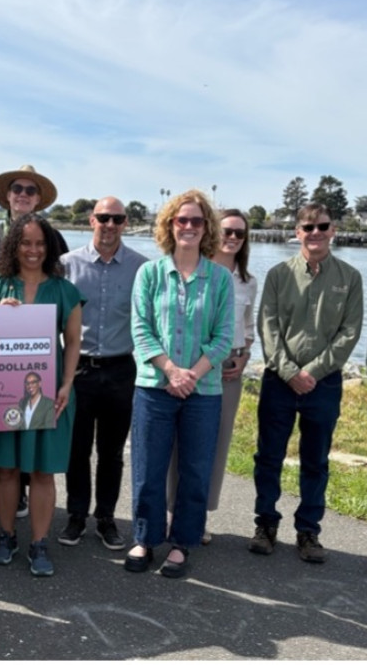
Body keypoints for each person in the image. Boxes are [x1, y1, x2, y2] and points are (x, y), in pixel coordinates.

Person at [126, 190, 233, 579]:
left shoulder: (220, 278)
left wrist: (192, 374)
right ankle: (144, 537)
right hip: (154, 386)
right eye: (181, 220)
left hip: (203, 393)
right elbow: (140, 328)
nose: (189, 227)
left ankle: (182, 543)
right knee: (148, 467)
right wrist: (171, 370)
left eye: (197, 221)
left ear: (207, 229)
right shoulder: (150, 274)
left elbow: (224, 337)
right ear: (169, 225)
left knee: (195, 468)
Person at [251, 202, 363, 564]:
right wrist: (288, 371)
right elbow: (267, 327)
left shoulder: (350, 278)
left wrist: (312, 373)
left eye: (322, 226)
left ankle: (308, 531)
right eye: (308, 227)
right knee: (269, 456)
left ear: (333, 230)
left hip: (324, 384)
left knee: (316, 461)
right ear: (297, 232)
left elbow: (349, 333)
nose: (315, 233)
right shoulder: (278, 275)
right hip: (278, 382)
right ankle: (265, 524)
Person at [0, 214, 83, 577]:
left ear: (49, 247)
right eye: (25, 243)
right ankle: (6, 536)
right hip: (4, 389)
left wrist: (67, 383)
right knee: (5, 469)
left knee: (41, 470)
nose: (33, 250)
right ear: (13, 246)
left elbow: (72, 343)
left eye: (40, 243)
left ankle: (39, 543)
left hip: (47, 389)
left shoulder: (65, 290)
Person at [0, 164, 69, 518]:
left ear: (39, 198)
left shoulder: (54, 239)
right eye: (17, 188)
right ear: (8, 195)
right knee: (4, 437)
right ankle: (5, 499)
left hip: (38, 358)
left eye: (30, 189)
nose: (23, 194)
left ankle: (28, 498)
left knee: (36, 432)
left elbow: (60, 299)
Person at [58, 197, 147, 551]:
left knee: (111, 453)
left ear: (125, 223)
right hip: (78, 371)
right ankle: (76, 516)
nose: (110, 225)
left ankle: (106, 518)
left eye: (117, 219)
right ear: (91, 220)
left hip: (121, 369)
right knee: (76, 451)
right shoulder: (66, 265)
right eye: (103, 218)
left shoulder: (142, 268)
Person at [167, 208, 257, 545]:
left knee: (214, 445)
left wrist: (245, 355)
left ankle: (199, 513)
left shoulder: (248, 280)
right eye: (227, 231)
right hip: (193, 365)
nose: (232, 238)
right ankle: (173, 510)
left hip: (230, 369)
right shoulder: (197, 269)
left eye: (239, 234)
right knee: (179, 443)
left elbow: (247, 327)